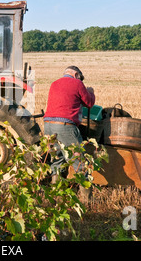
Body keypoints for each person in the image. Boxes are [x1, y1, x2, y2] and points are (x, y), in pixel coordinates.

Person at [44, 66, 95, 200]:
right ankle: (86, 201)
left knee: (57, 161)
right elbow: (89, 103)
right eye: (81, 78)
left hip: (48, 127)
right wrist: (90, 92)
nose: (81, 81)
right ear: (76, 74)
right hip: (65, 126)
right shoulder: (77, 83)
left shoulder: (54, 83)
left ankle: (56, 200)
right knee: (79, 162)